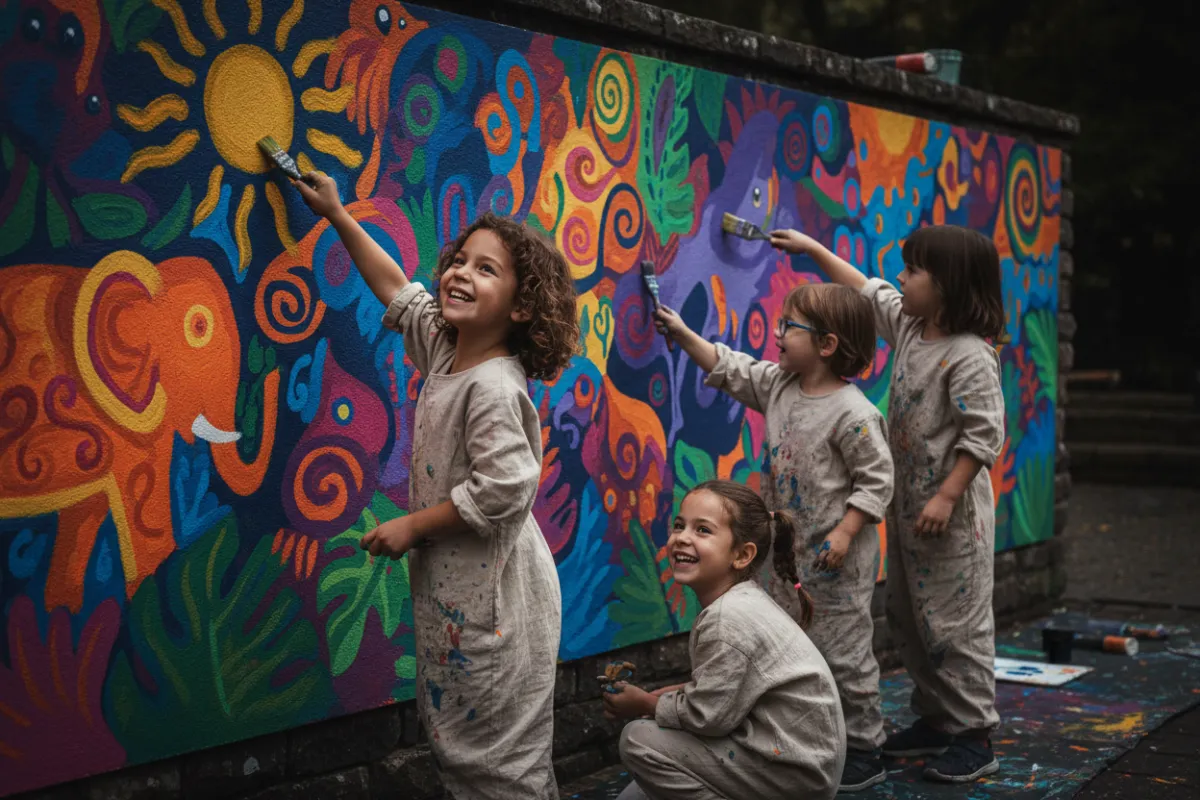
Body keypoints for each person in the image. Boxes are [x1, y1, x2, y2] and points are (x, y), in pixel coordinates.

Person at [294, 172, 579, 799]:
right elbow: (396, 287)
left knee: (498, 757)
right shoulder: (449, 350)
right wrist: (338, 214)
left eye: (486, 270)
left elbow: (505, 489)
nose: (460, 274)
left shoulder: (495, 388)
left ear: (521, 306)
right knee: (461, 740)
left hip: (499, 598)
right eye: (460, 261)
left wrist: (412, 527)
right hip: (461, 592)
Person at [772, 224, 1006, 783]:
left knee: (956, 625)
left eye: (915, 270)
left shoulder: (970, 355)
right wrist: (813, 251)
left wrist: (948, 496)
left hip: (952, 518)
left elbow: (983, 436)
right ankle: (936, 718)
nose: (901, 279)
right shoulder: (909, 325)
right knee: (911, 616)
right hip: (908, 512)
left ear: (947, 284)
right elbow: (866, 287)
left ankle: (974, 732)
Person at [655, 283, 894, 791]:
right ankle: (799, 737)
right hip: (789, 560)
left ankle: (866, 746)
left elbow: (877, 480)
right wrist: (681, 333)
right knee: (792, 651)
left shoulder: (854, 413)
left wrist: (847, 532)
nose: (778, 333)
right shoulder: (781, 385)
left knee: (845, 653)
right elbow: (730, 368)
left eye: (790, 326)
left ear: (827, 345)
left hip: (837, 566)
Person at [603, 480, 845, 800]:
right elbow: (729, 691)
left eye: (702, 530)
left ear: (742, 555)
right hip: (798, 762)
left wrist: (647, 704)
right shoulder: (742, 601)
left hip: (794, 774)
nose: (682, 538)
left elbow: (709, 719)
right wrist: (672, 696)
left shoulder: (727, 621)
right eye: (679, 525)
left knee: (637, 740)